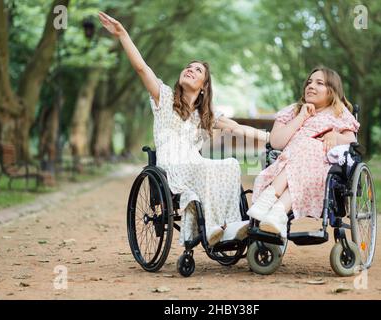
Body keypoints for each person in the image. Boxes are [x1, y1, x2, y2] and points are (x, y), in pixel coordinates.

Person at [98, 12, 268, 246]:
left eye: (197, 70)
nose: (190, 70)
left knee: (231, 164)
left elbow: (236, 128)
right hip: (171, 162)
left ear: (204, 86)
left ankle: (227, 227)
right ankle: (210, 228)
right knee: (201, 167)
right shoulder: (164, 97)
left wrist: (270, 138)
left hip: (193, 162)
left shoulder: (205, 116)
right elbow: (141, 68)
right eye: (188, 67)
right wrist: (122, 34)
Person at [247, 66, 360, 238]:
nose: (311, 86)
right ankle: (278, 212)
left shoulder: (338, 112)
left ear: (332, 91)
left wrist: (334, 135)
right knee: (301, 147)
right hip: (289, 161)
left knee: (307, 145)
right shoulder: (293, 110)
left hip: (320, 168)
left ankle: (269, 200)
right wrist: (301, 117)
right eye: (309, 82)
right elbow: (276, 143)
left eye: (319, 83)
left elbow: (351, 141)